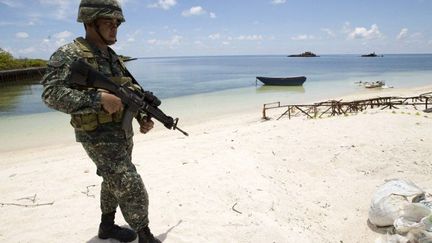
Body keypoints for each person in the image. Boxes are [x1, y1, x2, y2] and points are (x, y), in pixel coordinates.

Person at [41, 1, 161, 242]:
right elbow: (50, 94)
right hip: (96, 134)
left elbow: (130, 93)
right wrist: (98, 99)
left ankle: (107, 227)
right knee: (129, 183)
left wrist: (142, 116)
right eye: (108, 22)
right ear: (90, 22)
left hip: (121, 132)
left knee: (112, 180)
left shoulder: (112, 56)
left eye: (117, 23)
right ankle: (144, 233)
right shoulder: (69, 54)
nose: (115, 28)